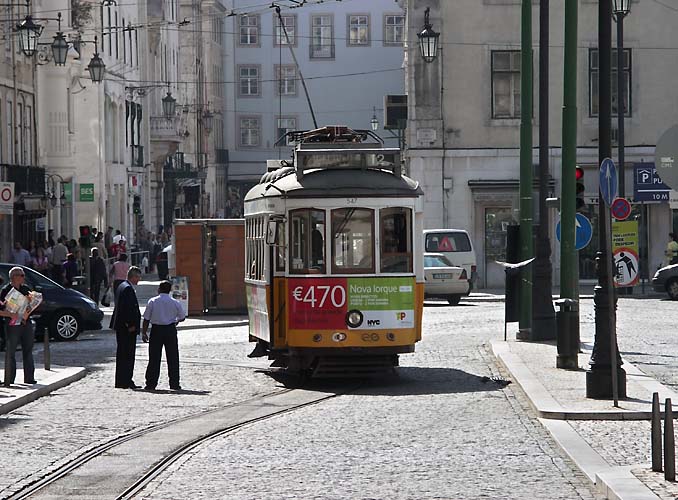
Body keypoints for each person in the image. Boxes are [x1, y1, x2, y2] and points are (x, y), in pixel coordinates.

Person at [141, 280, 186, 391]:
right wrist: (175, 321)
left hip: (156, 330)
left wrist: (144, 332)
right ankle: (174, 383)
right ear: (170, 290)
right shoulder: (175, 302)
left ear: (159, 289)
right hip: (170, 330)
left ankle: (151, 383)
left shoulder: (152, 301)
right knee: (173, 357)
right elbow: (182, 317)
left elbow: (146, 318)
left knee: (154, 358)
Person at [0, 267, 38, 386]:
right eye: (21, 275)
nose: (23, 277)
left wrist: (31, 304)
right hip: (12, 323)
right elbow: (1, 310)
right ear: (14, 277)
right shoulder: (5, 290)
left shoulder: (25, 289)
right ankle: (10, 378)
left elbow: (30, 305)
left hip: (25, 322)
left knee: (28, 349)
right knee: (11, 351)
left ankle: (29, 377)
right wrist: (11, 314)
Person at [109, 266, 142, 389]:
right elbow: (127, 309)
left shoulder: (122, 285)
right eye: (138, 277)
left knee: (122, 354)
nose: (139, 280)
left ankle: (122, 380)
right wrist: (131, 325)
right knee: (127, 354)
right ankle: (126, 380)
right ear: (133, 277)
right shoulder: (127, 289)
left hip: (121, 326)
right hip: (127, 328)